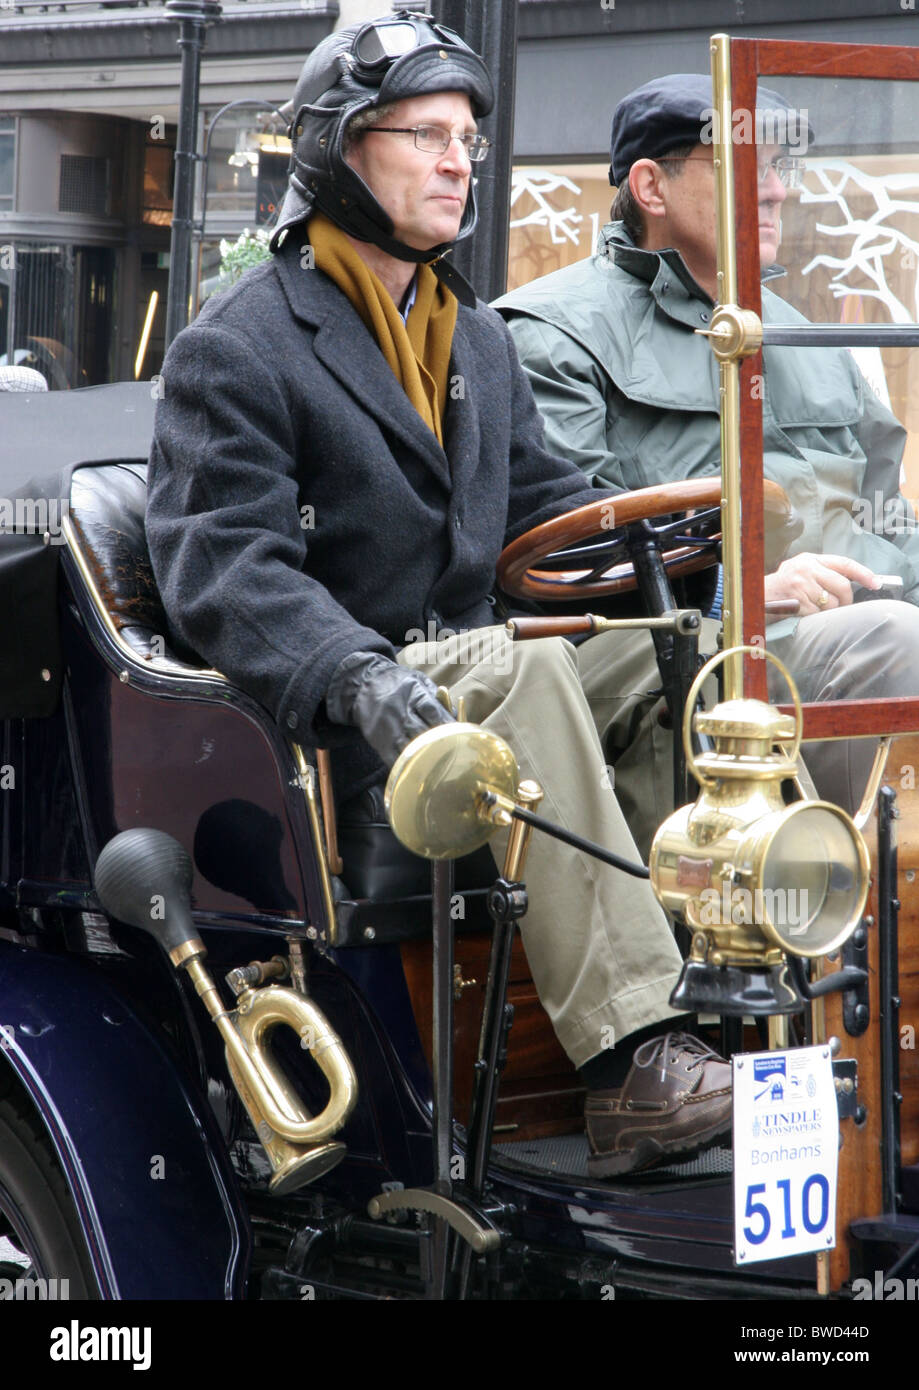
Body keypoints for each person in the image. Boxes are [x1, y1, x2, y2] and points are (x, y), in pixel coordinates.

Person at [146, 16, 732, 1179]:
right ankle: (633, 1061)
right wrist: (357, 674)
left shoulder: (472, 334)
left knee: (690, 653)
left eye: (467, 135)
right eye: (425, 135)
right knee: (526, 664)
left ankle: (725, 1006)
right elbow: (230, 568)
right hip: (351, 715)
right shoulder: (240, 343)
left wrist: (695, 552)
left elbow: (551, 513)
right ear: (335, 152)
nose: (459, 159)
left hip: (470, 681)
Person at [495, 73, 919, 838]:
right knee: (892, 638)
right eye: (741, 165)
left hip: (841, 634)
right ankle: (848, 929)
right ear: (650, 186)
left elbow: (887, 519)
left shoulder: (803, 333)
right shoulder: (550, 332)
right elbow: (565, 555)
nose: (776, 192)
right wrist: (747, 591)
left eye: (784, 167)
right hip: (677, 652)